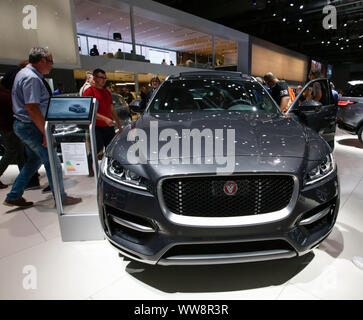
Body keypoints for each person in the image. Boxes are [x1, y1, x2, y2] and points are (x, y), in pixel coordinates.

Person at [3, 47, 82, 207]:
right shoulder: (31, 78)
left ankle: (13, 195)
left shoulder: (24, 73)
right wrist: (44, 132)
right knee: (51, 160)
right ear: (42, 61)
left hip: (25, 125)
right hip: (31, 126)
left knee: (33, 161)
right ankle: (60, 197)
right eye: (51, 62)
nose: (52, 65)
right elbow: (32, 108)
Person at [0, 62, 41, 191]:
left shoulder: (9, 93)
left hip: (13, 126)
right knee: (14, 152)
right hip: (10, 127)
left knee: (21, 153)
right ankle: (24, 183)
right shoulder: (6, 95)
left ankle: (27, 180)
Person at [82, 68, 122, 176]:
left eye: (105, 78)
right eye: (101, 78)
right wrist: (104, 119)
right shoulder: (88, 92)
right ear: (95, 78)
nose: (104, 80)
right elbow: (88, 110)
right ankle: (89, 166)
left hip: (108, 126)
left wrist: (119, 124)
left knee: (111, 148)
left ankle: (109, 169)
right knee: (97, 148)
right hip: (96, 127)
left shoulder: (107, 92)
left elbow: (112, 109)